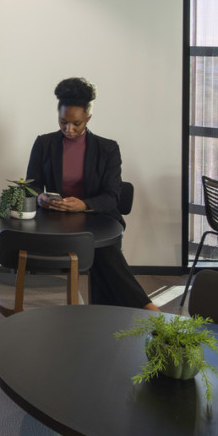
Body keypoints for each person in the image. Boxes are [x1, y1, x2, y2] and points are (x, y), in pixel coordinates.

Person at [25, 77, 155, 310]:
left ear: (88, 117)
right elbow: (31, 186)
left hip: (98, 220)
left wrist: (84, 205)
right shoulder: (44, 144)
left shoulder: (107, 149)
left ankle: (142, 311)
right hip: (56, 221)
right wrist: (40, 197)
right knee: (104, 254)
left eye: (76, 123)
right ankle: (144, 311)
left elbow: (113, 196)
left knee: (101, 249)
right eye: (63, 122)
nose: (69, 129)